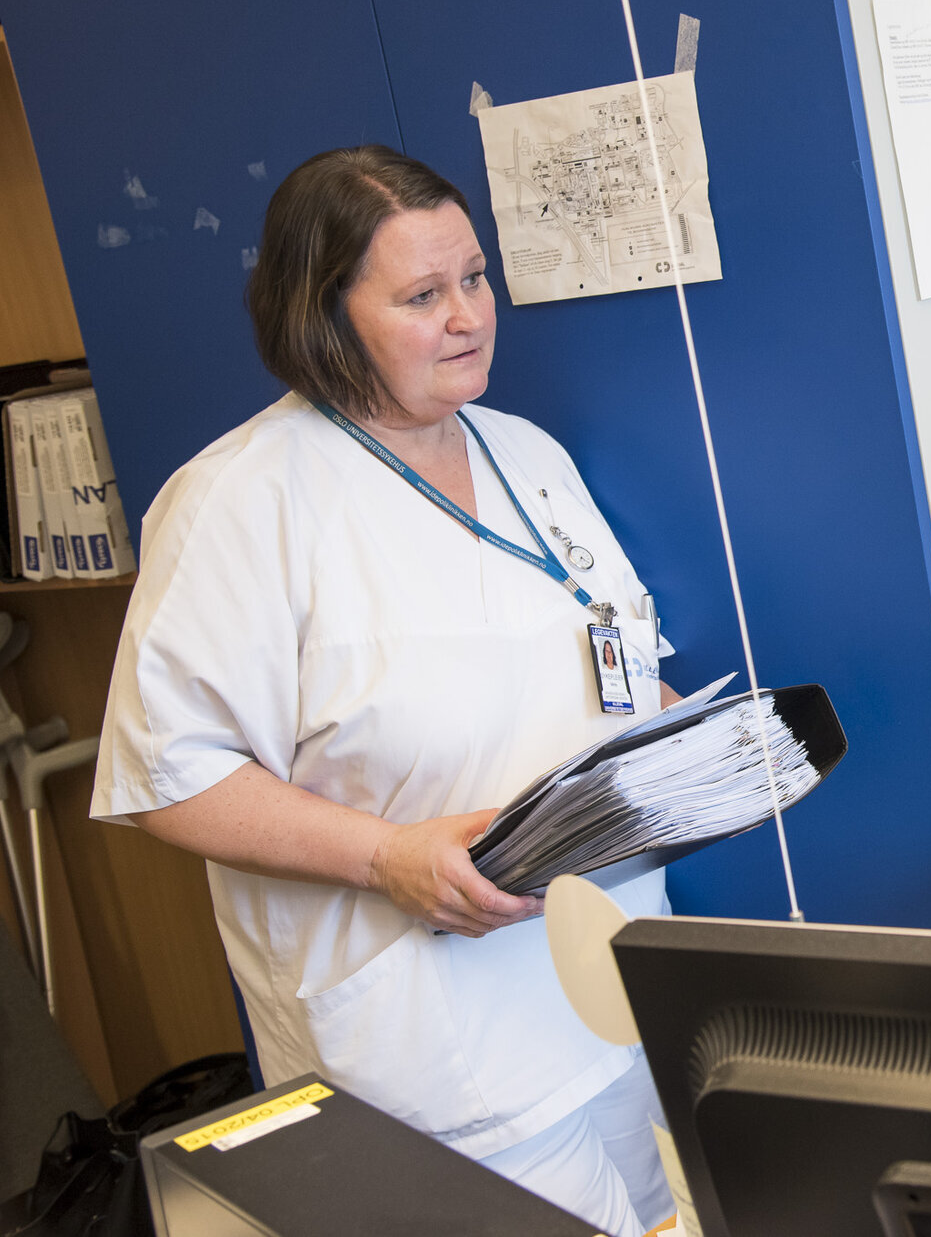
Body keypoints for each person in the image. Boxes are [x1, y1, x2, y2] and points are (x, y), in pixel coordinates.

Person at [92, 146, 680, 1237]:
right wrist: (387, 856)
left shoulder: (525, 454)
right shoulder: (242, 501)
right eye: (421, 295)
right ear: (323, 318)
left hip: (602, 996)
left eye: (474, 278)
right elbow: (165, 774)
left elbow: (604, 660)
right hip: (432, 1049)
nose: (466, 316)